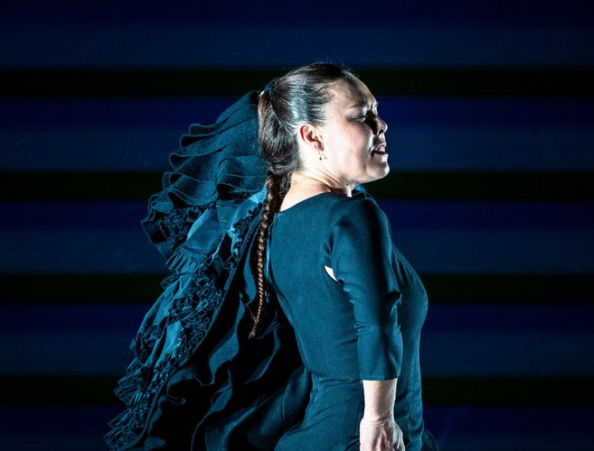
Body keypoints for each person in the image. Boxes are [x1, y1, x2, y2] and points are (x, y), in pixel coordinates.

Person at [105, 63, 438, 451]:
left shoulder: (276, 221)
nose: (381, 125)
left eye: (376, 112)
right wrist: (379, 421)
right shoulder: (351, 217)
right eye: (362, 117)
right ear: (311, 136)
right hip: (367, 440)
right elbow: (378, 325)